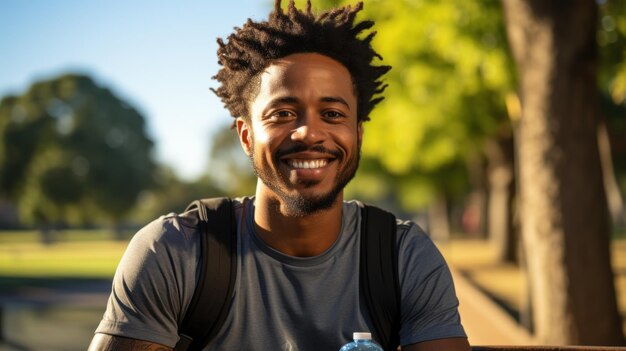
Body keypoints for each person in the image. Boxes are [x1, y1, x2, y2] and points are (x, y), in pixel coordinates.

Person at [89, 1, 470, 350]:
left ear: (357, 134)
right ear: (246, 135)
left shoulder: (404, 258)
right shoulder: (174, 253)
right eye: (283, 113)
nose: (309, 132)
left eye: (333, 114)